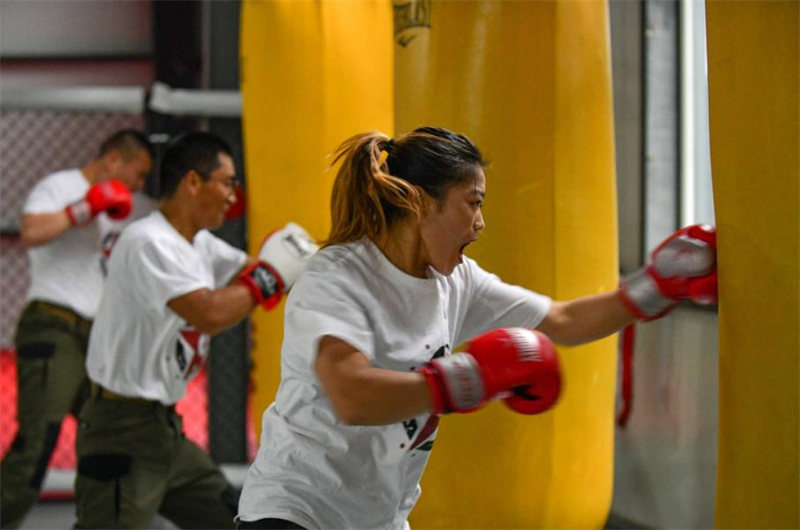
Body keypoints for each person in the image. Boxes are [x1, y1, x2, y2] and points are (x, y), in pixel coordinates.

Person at [235, 126, 718, 530]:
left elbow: (563, 321)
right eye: (473, 202)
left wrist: (656, 287)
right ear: (422, 203)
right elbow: (353, 396)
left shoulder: (456, 282)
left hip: (376, 518)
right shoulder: (338, 276)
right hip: (296, 510)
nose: (481, 223)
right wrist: (467, 379)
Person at [71, 131, 316, 529]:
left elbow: (253, 272)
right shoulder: (147, 242)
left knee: (234, 518)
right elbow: (210, 313)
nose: (234, 195)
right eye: (227, 182)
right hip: (120, 429)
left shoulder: (199, 245)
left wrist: (317, 267)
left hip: (165, 432)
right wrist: (270, 276)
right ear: (192, 182)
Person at [0, 129, 154, 529]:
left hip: (98, 338)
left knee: (119, 434)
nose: (138, 186)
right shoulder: (61, 187)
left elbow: (169, 221)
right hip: (54, 325)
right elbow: (32, 232)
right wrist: (82, 210)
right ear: (114, 161)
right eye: (136, 175)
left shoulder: (132, 207)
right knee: (38, 440)